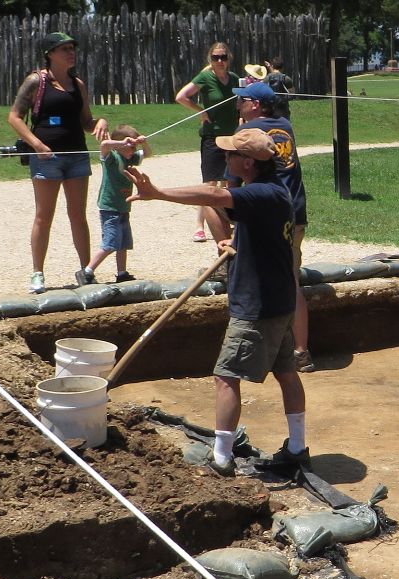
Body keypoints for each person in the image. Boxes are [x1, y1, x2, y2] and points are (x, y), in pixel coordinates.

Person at [123, 129, 309, 478]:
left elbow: (212, 194)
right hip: (279, 301)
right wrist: (233, 241)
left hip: (258, 307)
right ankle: (297, 449)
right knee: (286, 372)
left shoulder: (259, 193)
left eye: (230, 155)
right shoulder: (274, 190)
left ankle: (221, 458)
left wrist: (158, 193)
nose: (225, 159)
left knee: (226, 377)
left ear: (249, 162)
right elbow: (232, 213)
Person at [8, 31, 103, 295]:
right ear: (50, 54)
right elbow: (15, 117)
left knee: (78, 216)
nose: (71, 53)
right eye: (64, 49)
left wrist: (100, 123)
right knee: (43, 216)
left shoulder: (78, 84)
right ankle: (37, 273)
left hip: (77, 157)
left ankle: (86, 271)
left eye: (72, 48)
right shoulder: (35, 81)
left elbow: (86, 122)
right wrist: (36, 144)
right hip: (46, 159)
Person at [229, 82, 312, 371]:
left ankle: (267, 348)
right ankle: (301, 351)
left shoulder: (246, 134)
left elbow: (233, 183)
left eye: (242, 101)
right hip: (294, 211)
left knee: (259, 276)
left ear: (255, 105)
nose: (238, 105)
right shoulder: (285, 124)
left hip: (263, 211)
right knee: (292, 279)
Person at [175, 41, 238, 244]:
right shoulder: (205, 77)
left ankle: (231, 221)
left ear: (229, 58)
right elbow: (181, 97)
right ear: (210, 59)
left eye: (223, 57)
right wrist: (201, 112)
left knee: (231, 182)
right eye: (215, 57)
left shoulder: (235, 79)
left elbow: (240, 101)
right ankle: (199, 226)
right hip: (212, 136)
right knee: (210, 183)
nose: (220, 61)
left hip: (232, 137)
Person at [78, 122, 144, 285]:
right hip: (110, 208)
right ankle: (86, 272)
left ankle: (122, 273)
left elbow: (148, 153)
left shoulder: (130, 158)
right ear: (121, 146)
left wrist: (142, 142)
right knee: (111, 243)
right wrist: (123, 143)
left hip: (123, 207)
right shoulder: (112, 158)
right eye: (131, 147)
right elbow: (105, 144)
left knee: (123, 243)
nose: (133, 150)